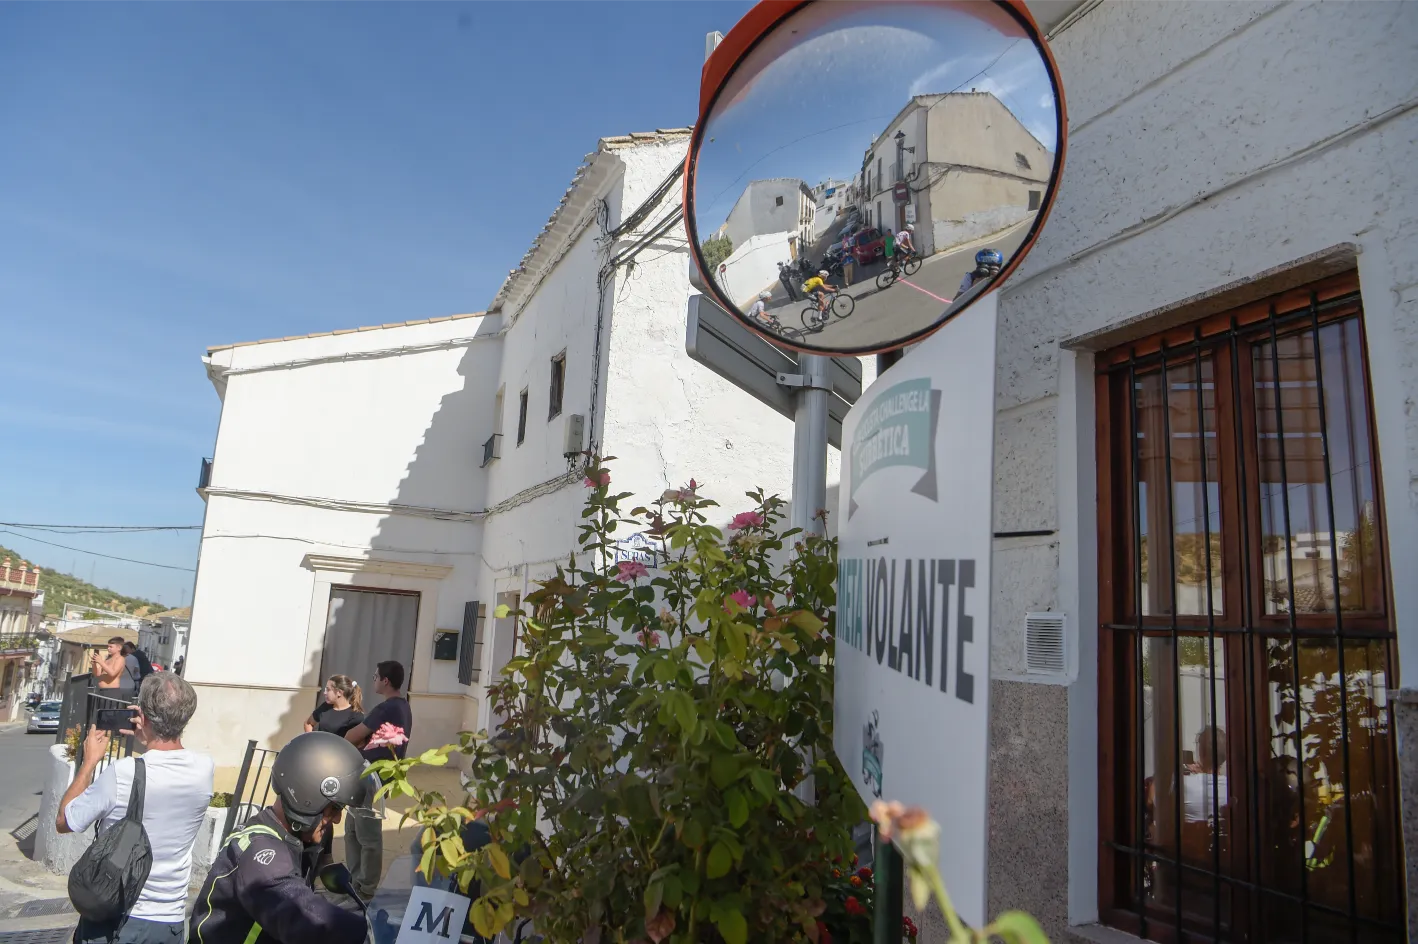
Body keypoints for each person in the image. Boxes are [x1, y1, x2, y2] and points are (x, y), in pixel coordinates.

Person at [57, 673, 214, 943]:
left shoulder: (123, 773)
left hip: (118, 919)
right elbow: (164, 767)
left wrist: (90, 761)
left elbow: (64, 821)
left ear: (142, 715)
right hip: (169, 922)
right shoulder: (204, 769)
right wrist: (149, 735)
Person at [187, 732, 368, 944]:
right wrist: (358, 930)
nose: (337, 819)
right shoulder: (260, 850)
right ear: (307, 797)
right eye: (334, 808)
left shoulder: (294, 841)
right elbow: (296, 909)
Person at [342, 661, 413, 898]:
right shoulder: (403, 706)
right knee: (352, 829)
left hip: (371, 775)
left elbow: (352, 736)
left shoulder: (386, 708)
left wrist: (362, 739)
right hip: (373, 774)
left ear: (385, 681)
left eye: (375, 676)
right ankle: (355, 883)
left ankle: (365, 889)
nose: (373, 680)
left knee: (365, 833)